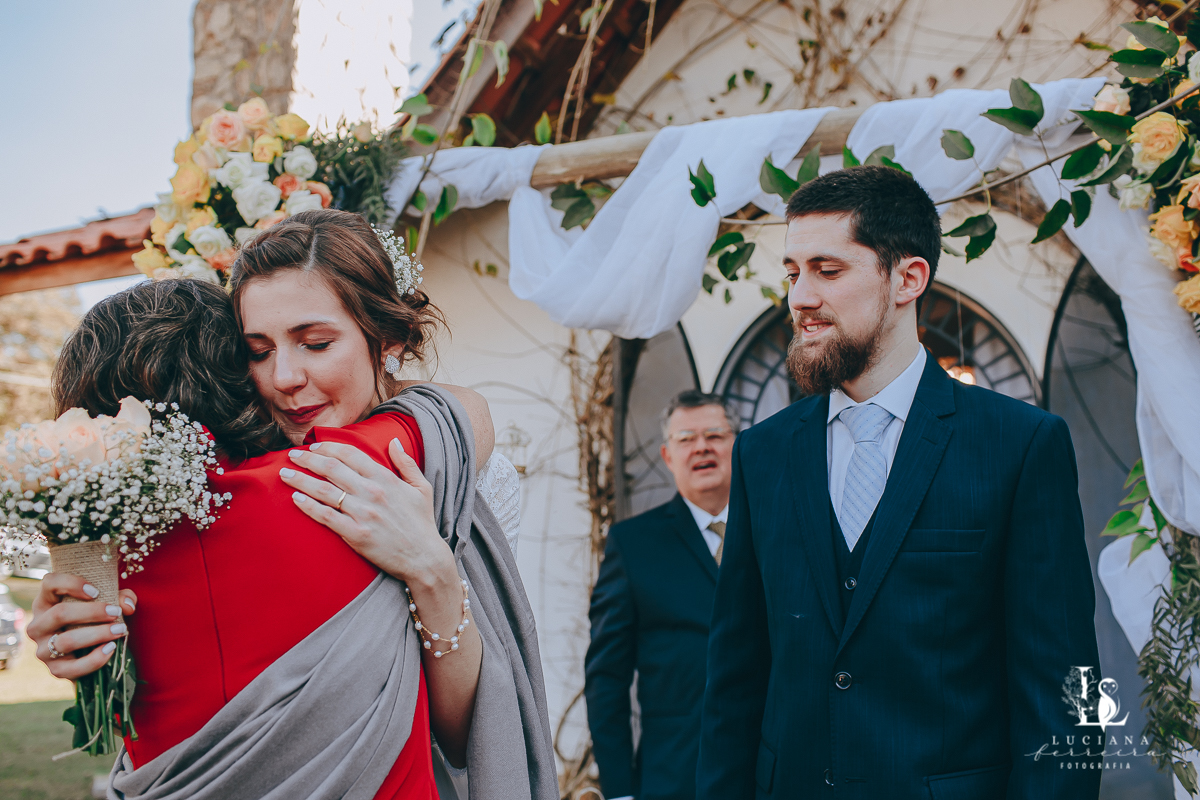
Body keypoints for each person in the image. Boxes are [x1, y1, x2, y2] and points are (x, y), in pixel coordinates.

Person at [27, 210, 557, 800]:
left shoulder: (473, 475)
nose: (284, 377)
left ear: (391, 340)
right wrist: (79, 622)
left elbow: (468, 733)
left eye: (316, 343)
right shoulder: (202, 491)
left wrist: (433, 573)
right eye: (257, 351)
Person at [695, 166, 1102, 799]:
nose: (799, 297)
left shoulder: (1019, 445)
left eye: (828, 271)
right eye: (793, 273)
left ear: (907, 278)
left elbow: (1061, 684)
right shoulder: (762, 454)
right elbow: (735, 680)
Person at [585, 390, 736, 800]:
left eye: (715, 435)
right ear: (668, 457)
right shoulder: (633, 546)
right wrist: (618, 790)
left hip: (773, 776)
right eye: (686, 439)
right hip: (674, 777)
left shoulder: (774, 532)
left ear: (737, 445)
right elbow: (607, 679)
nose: (701, 446)